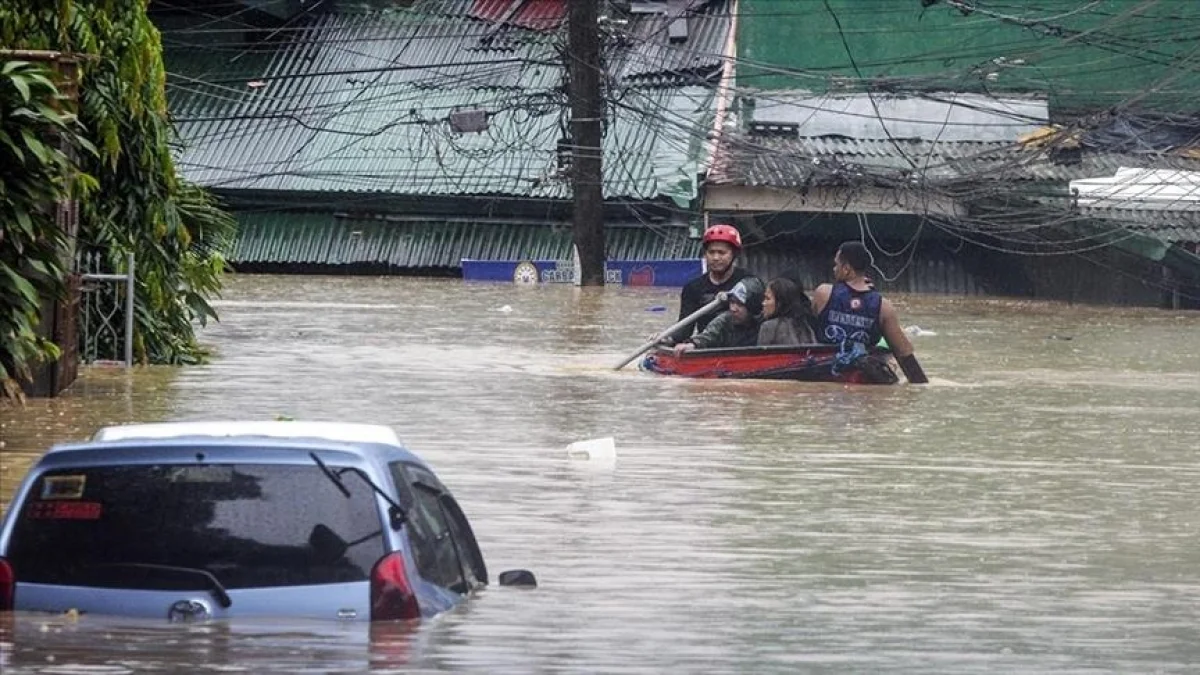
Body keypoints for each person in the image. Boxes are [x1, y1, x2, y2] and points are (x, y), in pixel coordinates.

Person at [812, 241, 929, 384]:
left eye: (837, 264)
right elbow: (904, 353)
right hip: (863, 377)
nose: (834, 269)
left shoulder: (823, 293)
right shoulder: (883, 306)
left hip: (824, 372)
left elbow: (806, 328)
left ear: (846, 269)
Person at [666, 223, 749, 344]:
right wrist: (667, 338)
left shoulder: (748, 282)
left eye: (722, 253)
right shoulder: (693, 288)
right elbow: (684, 329)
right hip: (705, 347)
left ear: (734, 255)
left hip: (740, 348)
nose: (715, 258)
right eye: (711, 252)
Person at [673, 277, 765, 355]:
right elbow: (707, 336)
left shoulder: (765, 322)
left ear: (753, 307)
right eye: (732, 302)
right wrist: (693, 345)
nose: (733, 309)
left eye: (740, 304)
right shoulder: (725, 320)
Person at [758, 277, 817, 345]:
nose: (763, 303)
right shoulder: (805, 325)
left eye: (767, 298)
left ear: (780, 303)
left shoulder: (768, 327)